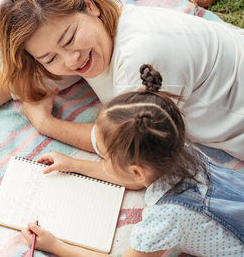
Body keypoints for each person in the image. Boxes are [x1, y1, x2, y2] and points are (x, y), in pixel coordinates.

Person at [0, 0, 244, 171]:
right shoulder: (93, 32)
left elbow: (129, 152)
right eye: (49, 57)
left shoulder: (143, 56)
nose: (71, 60)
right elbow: (12, 75)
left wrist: (45, 123)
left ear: (90, 5)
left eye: (69, 39)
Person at [21, 64, 244, 257]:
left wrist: (56, 245)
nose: (103, 160)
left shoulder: (166, 216)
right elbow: (135, 179)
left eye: (106, 157)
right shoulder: (178, 149)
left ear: (137, 171)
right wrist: (74, 165)